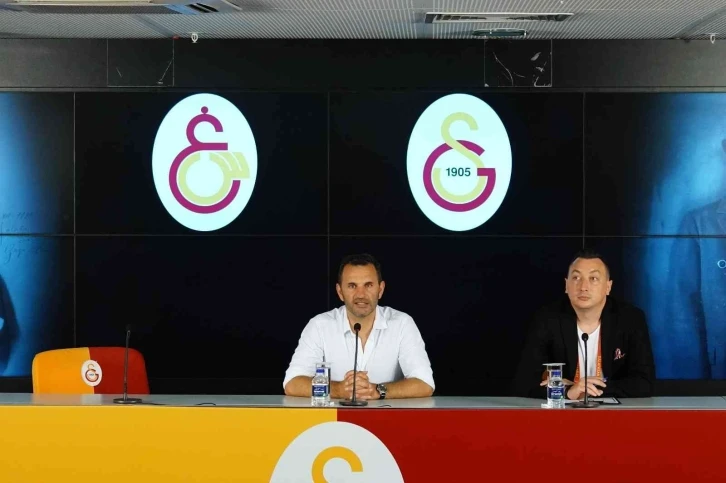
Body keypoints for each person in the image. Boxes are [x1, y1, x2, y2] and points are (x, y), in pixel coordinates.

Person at [283, 254, 434, 400]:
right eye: (352, 286)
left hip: (386, 416)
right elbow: (292, 383)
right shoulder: (319, 325)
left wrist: (378, 390)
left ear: (380, 289)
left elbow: (425, 383)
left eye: (368, 285)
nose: (361, 294)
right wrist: (338, 389)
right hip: (333, 417)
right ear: (340, 292)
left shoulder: (402, 323)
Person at [513, 249, 655, 399]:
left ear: (608, 287)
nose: (583, 287)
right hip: (563, 410)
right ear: (566, 285)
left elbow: (645, 383)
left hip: (616, 410)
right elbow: (523, 383)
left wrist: (587, 389)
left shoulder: (630, 319)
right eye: (576, 277)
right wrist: (567, 391)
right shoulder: (547, 319)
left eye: (593, 278)